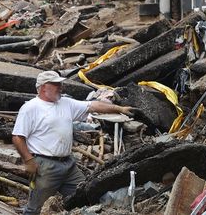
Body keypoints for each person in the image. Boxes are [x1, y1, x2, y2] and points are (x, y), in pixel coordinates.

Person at [12, 71, 138, 215]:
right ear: (43, 87)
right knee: (35, 209)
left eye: (60, 83)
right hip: (46, 166)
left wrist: (120, 109)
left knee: (83, 195)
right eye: (56, 84)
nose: (60, 87)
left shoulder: (65, 103)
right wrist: (28, 160)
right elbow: (17, 137)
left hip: (68, 164)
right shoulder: (30, 108)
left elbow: (93, 105)